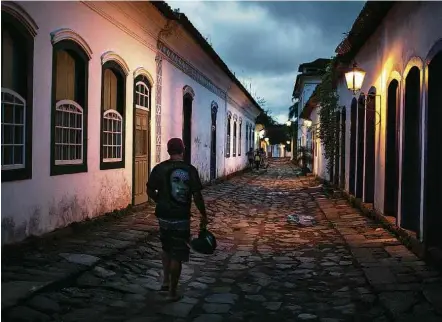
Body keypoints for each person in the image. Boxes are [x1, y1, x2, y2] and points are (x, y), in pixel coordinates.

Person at [147, 138, 208, 302]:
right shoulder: (190, 170)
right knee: (177, 254)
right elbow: (197, 195)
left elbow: (150, 189)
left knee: (166, 248)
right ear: (183, 150)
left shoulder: (159, 169)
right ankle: (172, 293)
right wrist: (203, 214)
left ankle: (165, 282)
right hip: (181, 217)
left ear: (168, 151)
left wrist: (159, 200)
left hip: (163, 216)